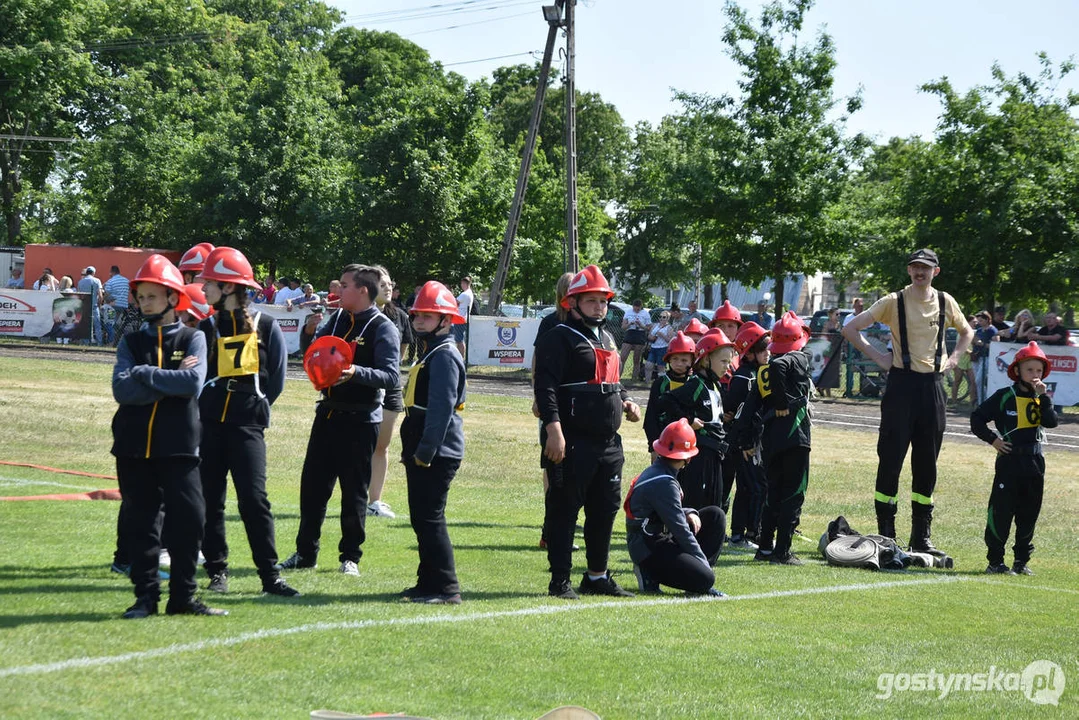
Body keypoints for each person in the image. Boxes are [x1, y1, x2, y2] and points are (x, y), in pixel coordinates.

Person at [111, 254, 225, 618]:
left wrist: (144, 375)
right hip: (133, 448)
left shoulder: (194, 338)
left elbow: (192, 384)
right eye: (141, 297)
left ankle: (183, 598)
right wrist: (163, 376)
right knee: (142, 525)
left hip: (179, 446)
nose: (145, 303)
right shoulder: (130, 342)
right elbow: (122, 392)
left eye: (152, 297)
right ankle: (145, 598)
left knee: (190, 520)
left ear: (174, 299)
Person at [842, 248, 974, 556]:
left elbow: (967, 332)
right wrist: (879, 357)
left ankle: (921, 536)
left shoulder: (945, 301)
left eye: (925, 268)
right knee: (890, 459)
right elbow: (850, 328)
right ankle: (886, 533)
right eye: (915, 267)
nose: (920, 272)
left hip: (932, 387)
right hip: (901, 385)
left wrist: (954, 358)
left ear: (935, 272)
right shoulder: (893, 301)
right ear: (908, 270)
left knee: (927, 464)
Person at [277, 264, 401, 575]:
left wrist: (356, 372)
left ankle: (350, 558)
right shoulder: (335, 320)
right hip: (328, 412)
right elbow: (313, 359)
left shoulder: (382, 327)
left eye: (344, 286)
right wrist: (308, 336)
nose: (337, 291)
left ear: (362, 290)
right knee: (313, 489)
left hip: (361, 420)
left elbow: (390, 375)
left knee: (354, 492)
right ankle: (305, 554)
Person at [195, 247, 299, 598]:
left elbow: (277, 382)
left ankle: (270, 577)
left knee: (254, 500)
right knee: (210, 500)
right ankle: (216, 571)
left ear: (227, 287)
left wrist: (253, 407)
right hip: (208, 425)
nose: (201, 285)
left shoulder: (267, 325)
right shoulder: (204, 327)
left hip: (247, 427)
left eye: (208, 280)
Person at [534, 264, 641, 599]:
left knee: (605, 509)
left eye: (603, 301)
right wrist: (554, 431)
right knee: (564, 509)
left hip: (608, 443)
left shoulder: (607, 336)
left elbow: (611, 381)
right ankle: (560, 581)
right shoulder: (558, 336)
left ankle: (596, 576)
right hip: (573, 440)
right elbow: (545, 387)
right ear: (572, 303)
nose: (599, 306)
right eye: (591, 300)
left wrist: (626, 400)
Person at [399, 281, 468, 604]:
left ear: (446, 320)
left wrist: (426, 450)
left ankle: (447, 588)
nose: (419, 322)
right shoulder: (433, 352)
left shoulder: (444, 355)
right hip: (422, 445)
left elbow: (441, 408)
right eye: (417, 316)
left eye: (428, 316)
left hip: (437, 450)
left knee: (430, 517)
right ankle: (426, 582)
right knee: (421, 517)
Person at [970, 342, 1057, 576]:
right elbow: (977, 419)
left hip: (1034, 463)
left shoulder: (1041, 399)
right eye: (1029, 370)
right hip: (1010, 463)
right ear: (1017, 371)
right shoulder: (1004, 397)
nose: (1035, 375)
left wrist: (1044, 397)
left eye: (1039, 370)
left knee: (1029, 513)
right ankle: (996, 561)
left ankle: (1021, 561)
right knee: (1002, 511)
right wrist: (993, 440)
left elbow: (1051, 422)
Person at [737, 312, 813, 565]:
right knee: (793, 494)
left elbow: (747, 412)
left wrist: (746, 441)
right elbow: (780, 367)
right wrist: (782, 402)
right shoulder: (795, 359)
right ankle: (782, 551)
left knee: (773, 494)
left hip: (771, 440)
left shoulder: (762, 372)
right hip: (795, 438)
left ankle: (765, 547)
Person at [624, 419, 725, 596]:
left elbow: (665, 510)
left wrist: (688, 512)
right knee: (706, 578)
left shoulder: (662, 471)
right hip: (648, 545)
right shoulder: (664, 482)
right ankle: (650, 573)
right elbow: (680, 529)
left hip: (654, 536)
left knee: (715, 516)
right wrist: (703, 564)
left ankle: (695, 578)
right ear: (687, 457)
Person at [659, 330, 736, 516]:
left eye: (729, 361)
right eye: (723, 361)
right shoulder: (696, 384)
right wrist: (688, 421)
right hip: (701, 456)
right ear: (706, 359)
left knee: (715, 500)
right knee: (697, 502)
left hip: (716, 453)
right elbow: (667, 401)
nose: (728, 366)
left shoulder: (715, 385)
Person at [533, 272, 575, 550]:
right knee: (554, 465)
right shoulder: (550, 322)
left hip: (577, 408)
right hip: (554, 404)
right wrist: (538, 397)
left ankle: (562, 524)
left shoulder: (587, 324)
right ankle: (553, 526)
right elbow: (537, 362)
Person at [725, 322, 770, 551]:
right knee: (752, 487)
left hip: (752, 441)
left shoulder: (758, 373)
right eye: (763, 350)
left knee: (752, 486)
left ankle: (745, 532)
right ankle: (745, 533)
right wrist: (745, 442)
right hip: (745, 444)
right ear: (750, 352)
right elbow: (738, 413)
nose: (768, 354)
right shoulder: (746, 378)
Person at [369, 268, 406, 519]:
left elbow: (402, 349)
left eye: (389, 283)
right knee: (359, 446)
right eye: (382, 283)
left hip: (390, 389)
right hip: (364, 387)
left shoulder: (399, 317)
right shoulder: (358, 316)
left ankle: (375, 501)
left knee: (382, 446)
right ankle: (357, 496)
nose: (388, 287)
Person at [642, 331, 695, 453]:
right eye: (675, 359)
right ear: (668, 360)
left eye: (684, 360)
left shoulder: (695, 383)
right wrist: (653, 446)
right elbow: (651, 416)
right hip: (663, 441)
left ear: (692, 361)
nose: (679, 364)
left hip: (688, 445)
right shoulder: (660, 383)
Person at [970, 311, 998, 405]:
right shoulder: (979, 330)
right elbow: (974, 340)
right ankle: (981, 401)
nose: (979, 323)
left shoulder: (992, 330)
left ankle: (984, 401)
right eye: (978, 321)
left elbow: (995, 346)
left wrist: (982, 344)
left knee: (979, 380)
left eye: (981, 320)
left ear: (987, 319)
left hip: (987, 357)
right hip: (977, 357)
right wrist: (974, 341)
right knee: (978, 382)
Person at [620, 299, 651, 381]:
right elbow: (623, 327)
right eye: (635, 309)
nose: (636, 310)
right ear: (633, 306)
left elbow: (649, 328)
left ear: (641, 307)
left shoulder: (645, 314)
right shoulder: (628, 312)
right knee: (622, 357)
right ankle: (617, 377)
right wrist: (630, 324)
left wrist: (641, 325)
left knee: (636, 359)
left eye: (638, 309)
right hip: (630, 333)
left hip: (640, 334)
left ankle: (634, 378)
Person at [103, 265, 131, 345]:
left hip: (113, 306)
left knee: (110, 323)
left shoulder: (111, 281)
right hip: (123, 306)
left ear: (112, 272)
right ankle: (117, 339)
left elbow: (107, 293)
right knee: (115, 322)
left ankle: (111, 342)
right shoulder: (126, 280)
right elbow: (130, 289)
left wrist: (104, 299)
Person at [644, 310, 675, 380]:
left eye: (664, 317)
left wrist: (662, 335)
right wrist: (652, 337)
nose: (661, 318)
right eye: (660, 316)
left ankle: (661, 383)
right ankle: (647, 381)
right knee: (648, 365)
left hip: (663, 348)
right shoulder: (655, 325)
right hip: (653, 347)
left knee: (660, 367)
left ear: (667, 318)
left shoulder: (669, 328)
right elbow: (649, 335)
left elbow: (670, 340)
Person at [77, 266, 104, 345]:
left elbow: (79, 295)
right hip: (94, 305)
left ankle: (86, 342)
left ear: (86, 272)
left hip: (84, 306)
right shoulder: (97, 280)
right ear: (93, 273)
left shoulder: (80, 282)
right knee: (97, 325)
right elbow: (100, 295)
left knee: (85, 325)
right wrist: (99, 304)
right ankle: (99, 343)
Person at [454, 276, 474, 357]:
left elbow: (454, 302)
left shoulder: (464, 294)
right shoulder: (470, 293)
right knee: (460, 339)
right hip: (464, 318)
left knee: (459, 340)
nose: (461, 285)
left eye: (462, 283)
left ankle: (460, 358)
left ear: (465, 283)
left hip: (460, 318)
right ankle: (461, 358)